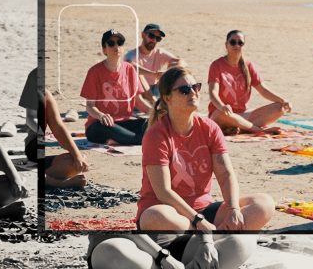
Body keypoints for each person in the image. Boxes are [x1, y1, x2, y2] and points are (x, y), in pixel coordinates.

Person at [137, 66, 275, 232]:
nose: (193, 93)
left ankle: (210, 236)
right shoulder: (156, 135)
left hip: (203, 210)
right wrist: (197, 221)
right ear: (167, 98)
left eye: (196, 87)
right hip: (169, 211)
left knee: (264, 204)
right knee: (154, 217)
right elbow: (163, 192)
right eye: (184, 90)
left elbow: (225, 174)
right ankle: (212, 235)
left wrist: (233, 209)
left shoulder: (209, 128)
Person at [208, 30, 291, 135]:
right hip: (223, 114)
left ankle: (240, 128)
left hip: (242, 115)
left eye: (240, 43)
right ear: (226, 45)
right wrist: (221, 106)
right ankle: (259, 130)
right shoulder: (217, 65)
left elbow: (263, 90)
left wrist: (283, 100)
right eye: (233, 42)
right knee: (221, 114)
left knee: (280, 108)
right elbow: (213, 92)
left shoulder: (248, 65)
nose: (237, 45)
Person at [20, 68, 89, 188]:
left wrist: (76, 155)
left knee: (75, 161)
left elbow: (58, 127)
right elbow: (30, 118)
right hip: (34, 145)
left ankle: (48, 178)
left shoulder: (47, 95)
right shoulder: (34, 85)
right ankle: (55, 182)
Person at [81, 29, 151, 146]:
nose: (116, 46)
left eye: (120, 43)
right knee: (140, 138)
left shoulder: (130, 69)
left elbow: (139, 102)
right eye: (111, 43)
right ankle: (129, 139)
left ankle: (120, 140)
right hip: (99, 125)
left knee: (150, 124)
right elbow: (89, 106)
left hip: (124, 123)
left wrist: (156, 113)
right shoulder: (94, 72)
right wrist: (101, 115)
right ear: (104, 49)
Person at [87, 232, 254, 269]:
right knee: (112, 252)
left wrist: (207, 243)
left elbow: (206, 225)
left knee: (243, 240)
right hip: (128, 246)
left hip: (180, 246)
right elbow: (123, 228)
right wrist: (162, 256)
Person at [124, 23, 185, 109]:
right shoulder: (132, 54)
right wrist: (153, 74)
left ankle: (162, 104)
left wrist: (169, 71)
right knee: (137, 75)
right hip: (138, 93)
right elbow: (127, 65)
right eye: (151, 36)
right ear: (143, 35)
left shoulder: (159, 52)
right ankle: (155, 103)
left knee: (176, 68)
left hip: (156, 90)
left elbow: (180, 61)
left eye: (158, 38)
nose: (154, 40)